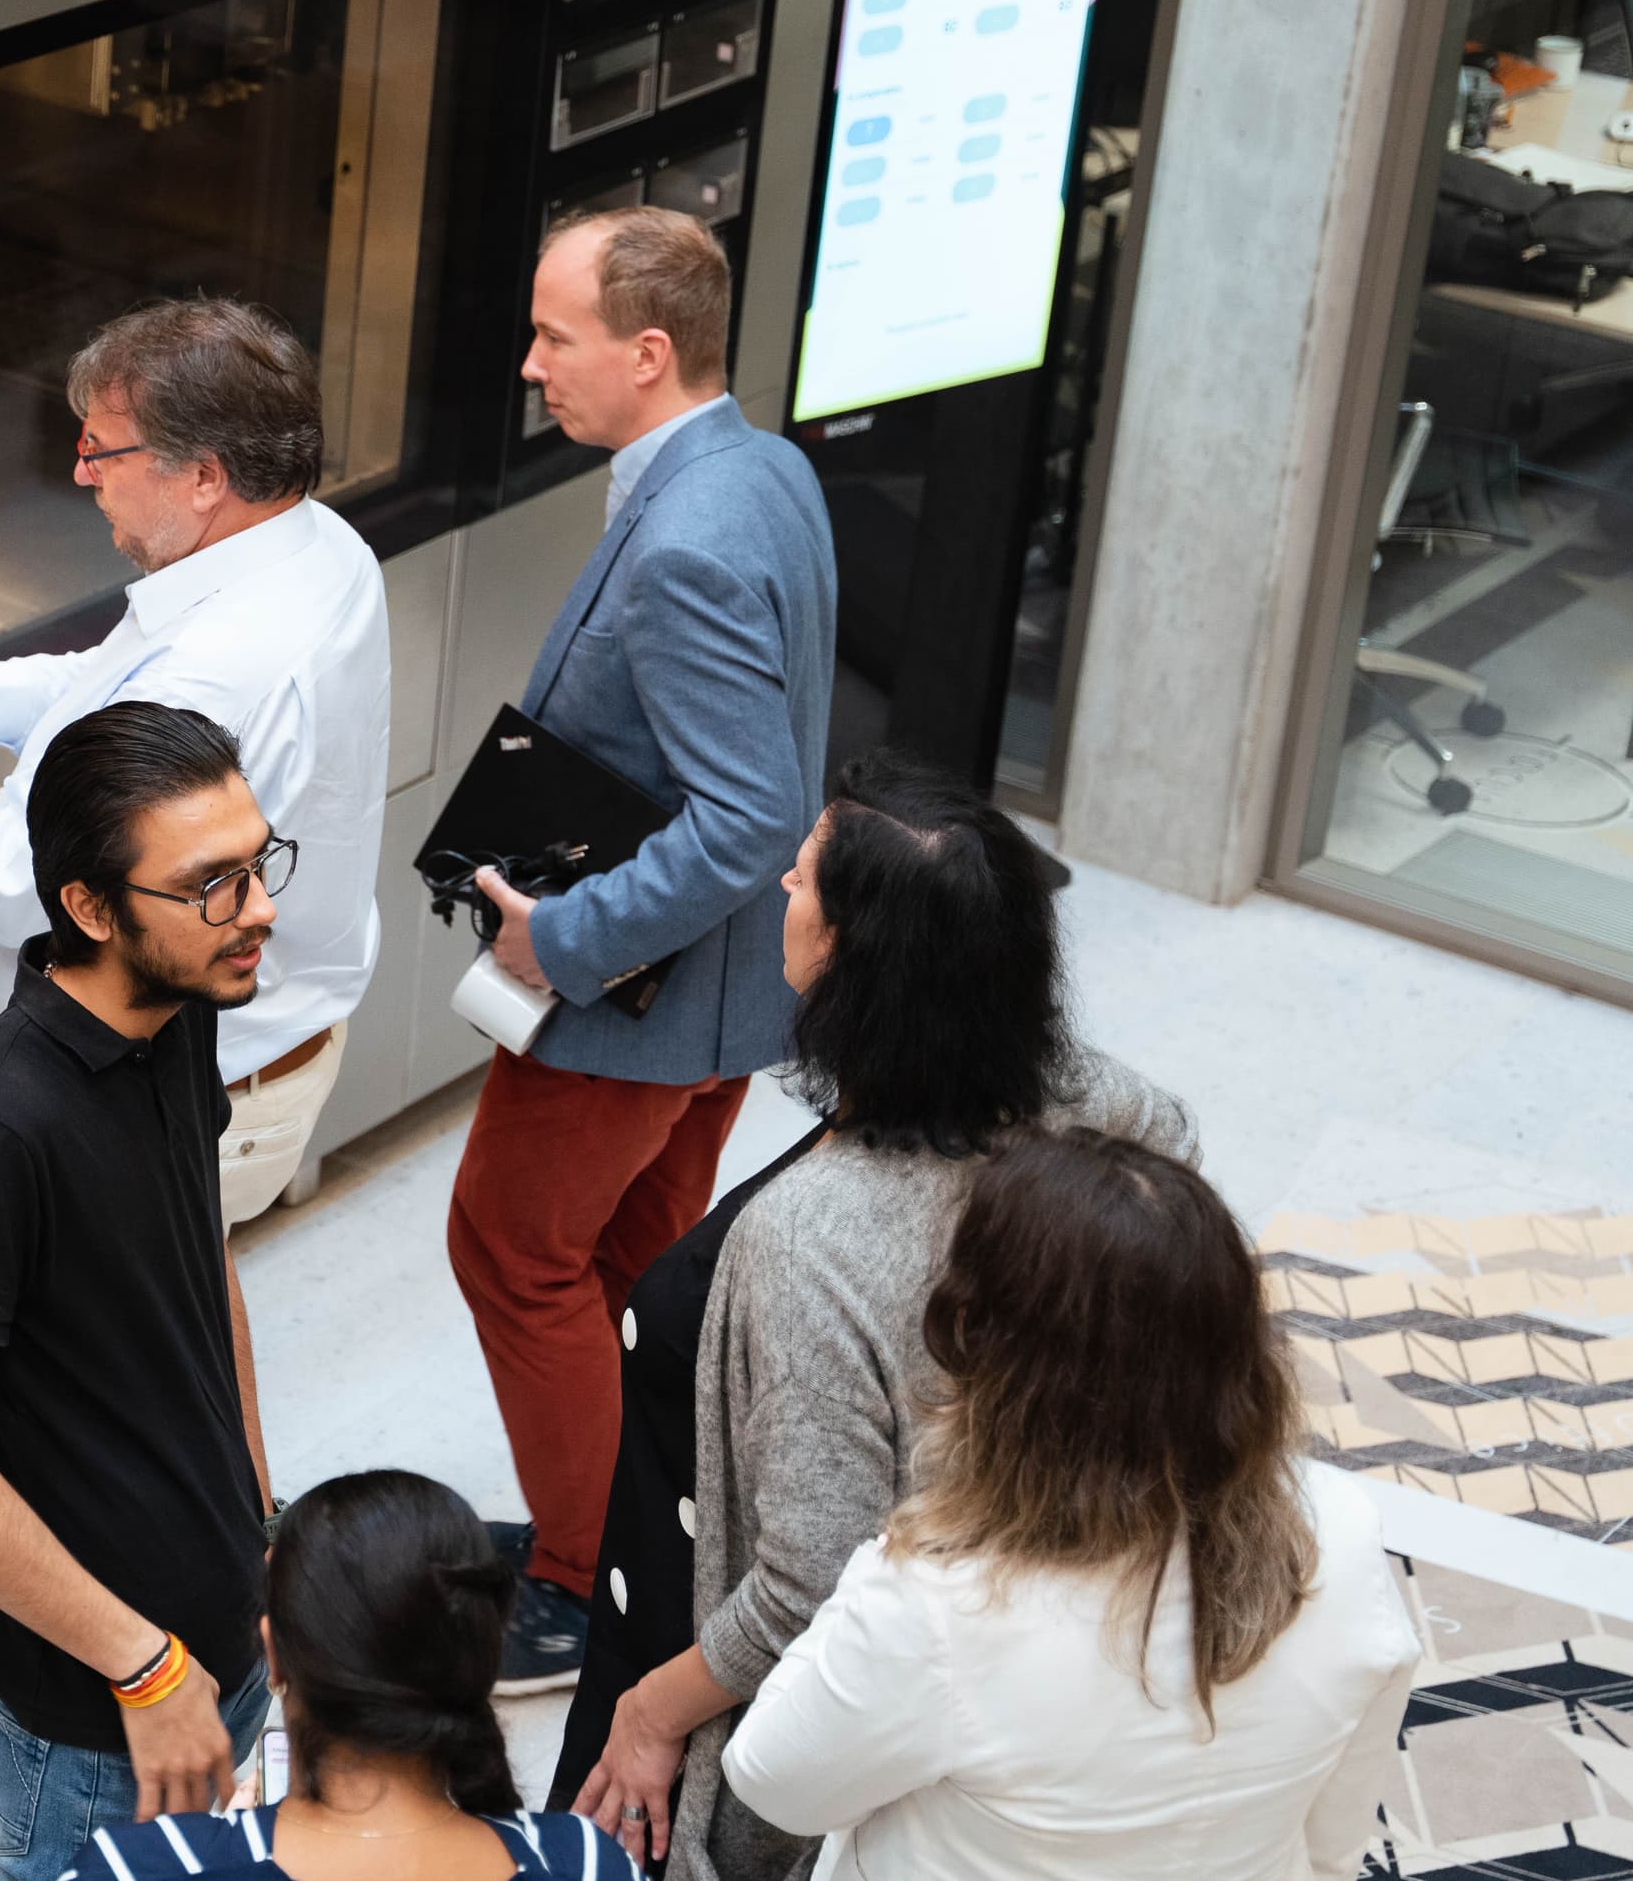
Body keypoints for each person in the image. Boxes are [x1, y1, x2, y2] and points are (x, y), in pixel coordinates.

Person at [561, 751, 1198, 1881]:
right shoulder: (1116, 1114)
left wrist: (654, 1715)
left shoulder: (811, 1242)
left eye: (801, 879)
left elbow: (810, 1583)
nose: (778, 894)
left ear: (855, 954)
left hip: (751, 1686)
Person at [446, 208, 836, 1691]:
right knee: (632, 1264)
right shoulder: (765, 464)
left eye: (558, 336)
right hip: (733, 1004)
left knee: (510, 1247)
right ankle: (640, 1533)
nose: (535, 362)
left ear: (648, 353)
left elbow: (746, 815)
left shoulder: (680, 538)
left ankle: (575, 1583)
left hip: (641, 991)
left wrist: (567, 938)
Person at [0, 298, 390, 1221]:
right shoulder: (317, 545)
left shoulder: (217, 671)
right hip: (266, 1045)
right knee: (195, 1320)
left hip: (175, 1095)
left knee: (105, 1362)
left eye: (103, 451)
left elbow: (15, 884)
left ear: (204, 475)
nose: (82, 474)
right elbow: (120, 687)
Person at [722, 1125, 1421, 1879]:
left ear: (989, 1354)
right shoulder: (1343, 1530)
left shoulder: (937, 1602)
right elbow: (1331, 1845)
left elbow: (772, 1780)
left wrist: (896, 1550)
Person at [0, 702, 291, 1881]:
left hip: (216, 1630)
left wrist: (260, 1534)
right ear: (89, 910)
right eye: (210, 884)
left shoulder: (183, 1009)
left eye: (257, 866)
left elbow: (199, 1270)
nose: (256, 909)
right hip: (103, 1707)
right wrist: (142, 1667)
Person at [63, 1471, 638, 1881]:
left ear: (276, 1657)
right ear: (484, 1662)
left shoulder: (130, 1867)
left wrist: (202, 1847)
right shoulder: (586, 1862)